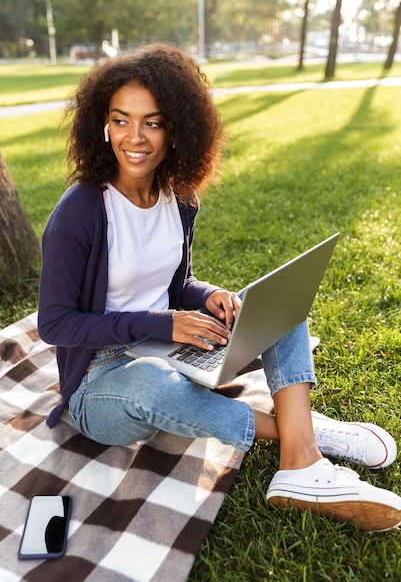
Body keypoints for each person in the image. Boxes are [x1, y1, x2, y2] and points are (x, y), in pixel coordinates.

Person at [38, 42, 401, 533]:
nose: (135, 137)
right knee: (152, 383)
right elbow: (54, 324)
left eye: (153, 121)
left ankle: (300, 466)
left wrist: (206, 295)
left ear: (177, 127)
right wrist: (162, 322)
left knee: (278, 305)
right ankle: (303, 437)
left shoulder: (178, 196)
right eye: (121, 120)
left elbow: (176, 282)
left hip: (169, 347)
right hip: (100, 384)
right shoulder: (80, 212)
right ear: (103, 125)